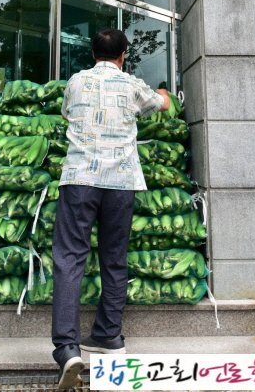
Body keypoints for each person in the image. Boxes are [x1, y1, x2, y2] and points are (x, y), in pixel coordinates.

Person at [52, 28, 170, 388]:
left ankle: (68, 350)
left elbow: (66, 113)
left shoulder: (74, 82)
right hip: (121, 182)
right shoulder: (133, 84)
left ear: (92, 53)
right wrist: (163, 92)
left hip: (80, 179)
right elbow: (161, 104)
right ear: (123, 56)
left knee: (70, 257)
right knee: (114, 257)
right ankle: (108, 335)